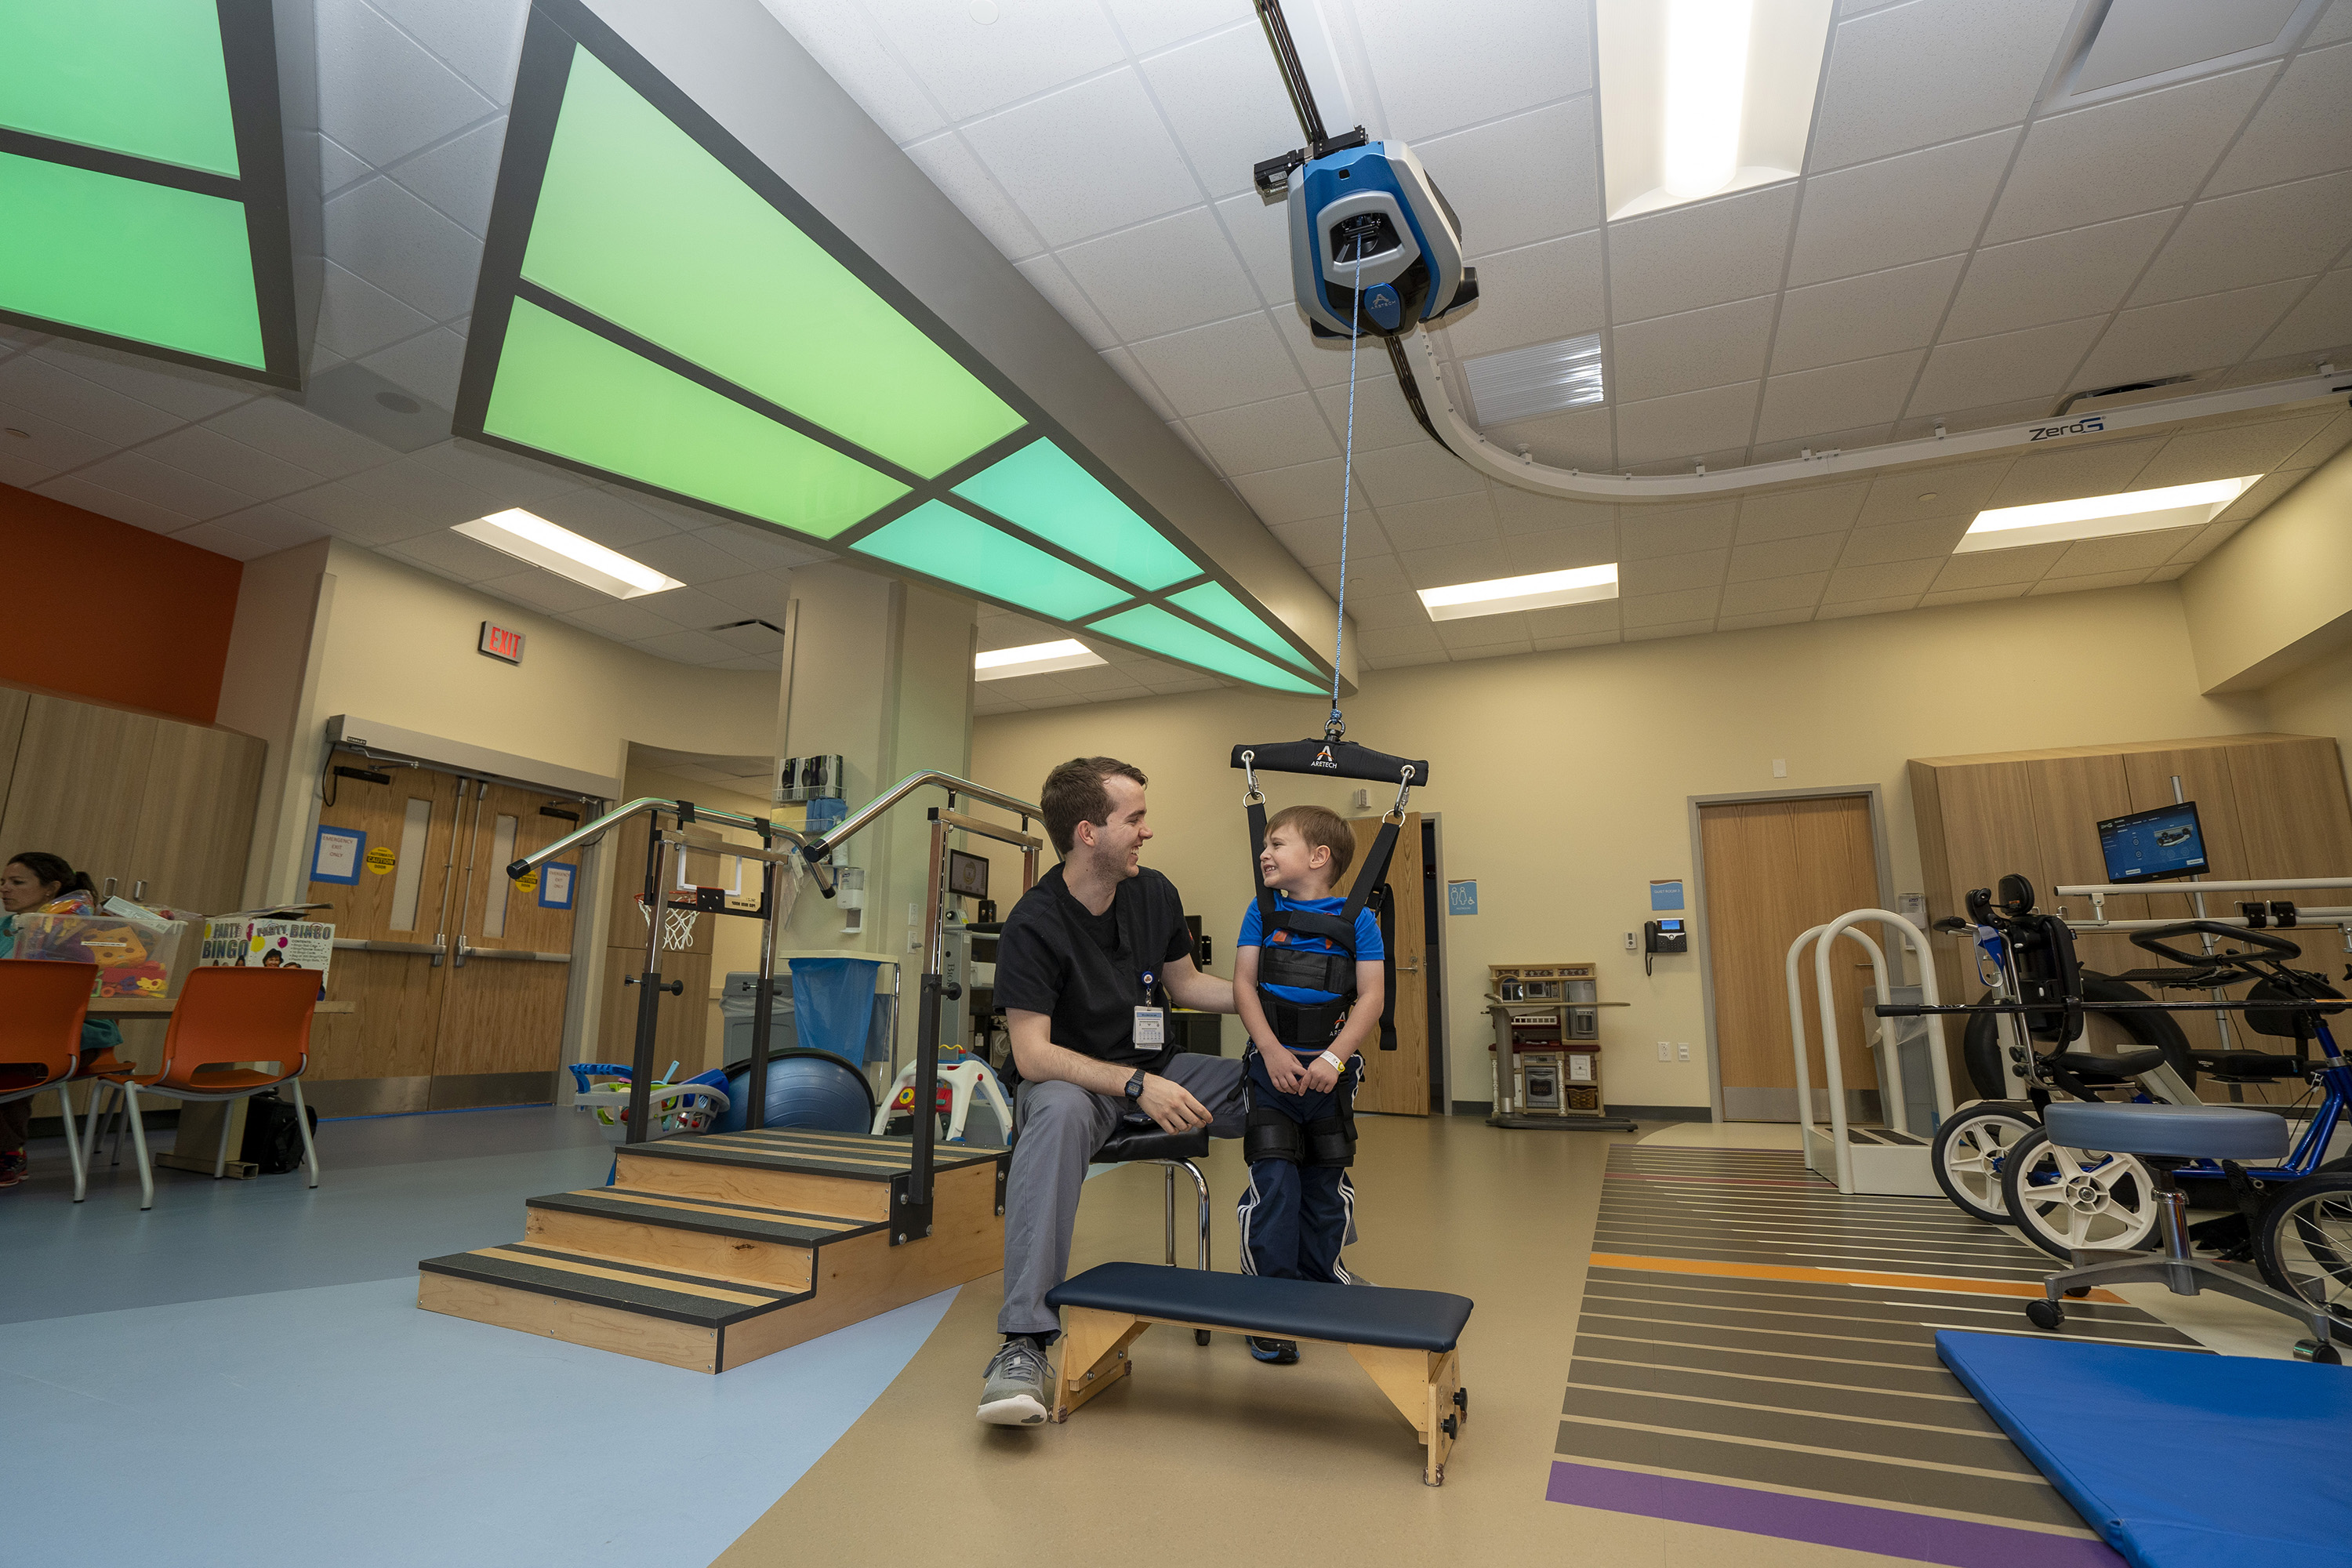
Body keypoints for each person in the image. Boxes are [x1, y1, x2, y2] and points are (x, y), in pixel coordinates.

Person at [976, 757, 1243, 1426]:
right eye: (1136, 819)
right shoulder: (1034, 924)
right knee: (1060, 1114)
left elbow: (1186, 986)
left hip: (1160, 1068)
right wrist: (1134, 1083)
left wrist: (1275, 998)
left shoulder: (1153, 893)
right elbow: (1034, 1056)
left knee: (1285, 1085)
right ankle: (1025, 1343)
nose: (1148, 832)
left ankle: (1304, 1272)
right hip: (1077, 1083)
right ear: (1088, 832)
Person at [1230, 804, 1385, 1362]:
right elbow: (1244, 986)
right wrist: (1271, 1052)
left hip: (1329, 1080)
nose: (1265, 853)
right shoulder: (1261, 912)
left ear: (1318, 858)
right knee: (1275, 1186)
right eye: (1265, 844)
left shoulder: (1359, 920)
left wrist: (1336, 1059)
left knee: (1325, 1186)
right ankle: (1269, 1301)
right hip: (1272, 1074)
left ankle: (1323, 1279)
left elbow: (1371, 996)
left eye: (1278, 844)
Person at [0, 851, 126, 1189]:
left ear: (49, 889)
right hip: (15, 1032)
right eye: (3, 882)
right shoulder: (5, 930)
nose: (5, 889)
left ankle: (7, 1152)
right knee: (12, 1045)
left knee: (16, 1051)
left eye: (17, 882)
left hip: (77, 1037)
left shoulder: (80, 931)